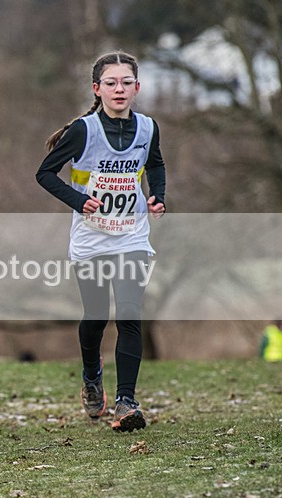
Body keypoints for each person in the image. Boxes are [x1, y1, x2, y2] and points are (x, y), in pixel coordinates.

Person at [36, 51, 166, 432]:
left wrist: (156, 194)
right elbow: (45, 173)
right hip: (91, 239)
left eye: (126, 82)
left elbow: (155, 163)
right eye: (111, 83)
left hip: (132, 235)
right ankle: (92, 374)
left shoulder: (147, 128)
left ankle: (126, 401)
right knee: (96, 316)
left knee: (129, 313)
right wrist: (80, 201)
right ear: (97, 89)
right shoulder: (83, 130)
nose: (119, 89)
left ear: (137, 88)